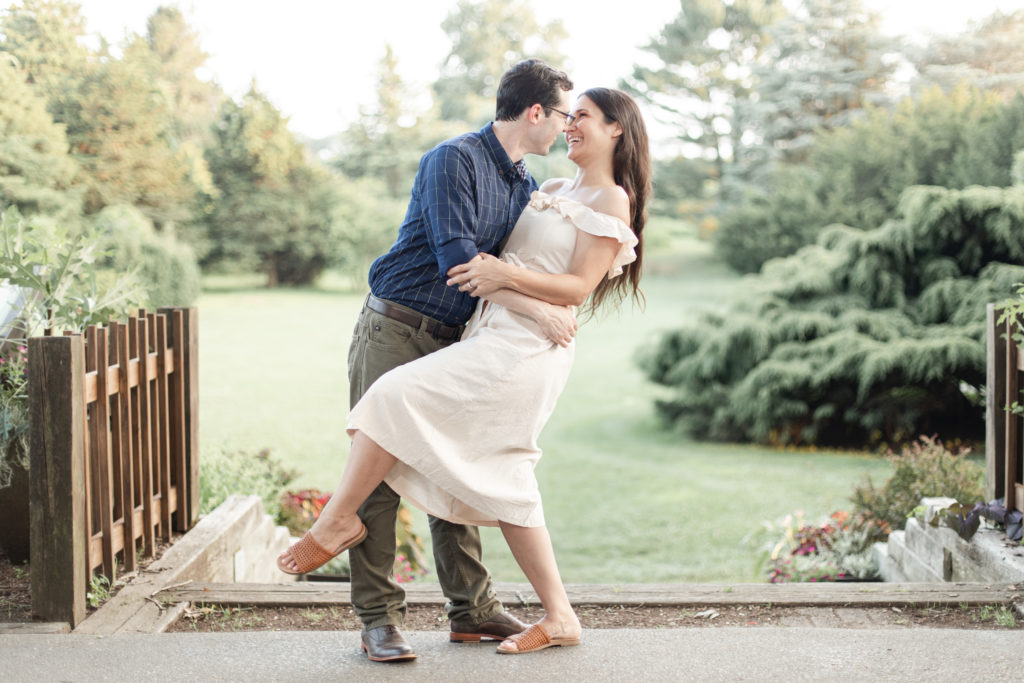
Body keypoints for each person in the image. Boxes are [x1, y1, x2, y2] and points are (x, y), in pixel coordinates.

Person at [279, 86, 651, 656]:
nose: (569, 126)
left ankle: (339, 524)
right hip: (483, 330)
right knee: (494, 466)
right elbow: (469, 257)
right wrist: (508, 284)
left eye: (582, 117)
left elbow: (576, 287)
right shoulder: (541, 186)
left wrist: (504, 279)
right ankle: (553, 614)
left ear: (617, 129)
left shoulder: (610, 200)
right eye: (565, 115)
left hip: (521, 349)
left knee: (395, 404)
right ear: (535, 113)